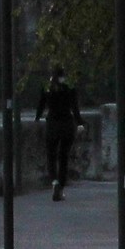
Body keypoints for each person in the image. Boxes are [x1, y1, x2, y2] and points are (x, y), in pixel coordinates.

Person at [37, 66, 81, 199]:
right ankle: (60, 189)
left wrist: (37, 118)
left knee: (51, 156)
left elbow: (41, 105)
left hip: (52, 126)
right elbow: (74, 108)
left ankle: (54, 181)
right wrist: (79, 122)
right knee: (63, 157)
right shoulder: (69, 88)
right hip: (67, 125)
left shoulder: (47, 88)